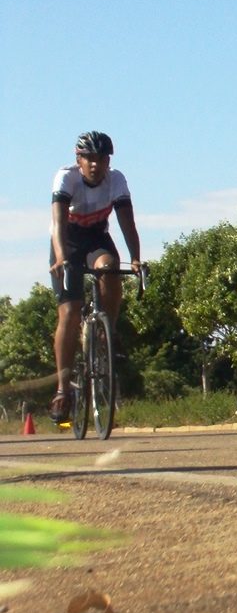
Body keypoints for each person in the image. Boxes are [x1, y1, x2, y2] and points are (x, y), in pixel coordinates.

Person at [48, 131, 142, 423]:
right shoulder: (66, 178)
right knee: (70, 313)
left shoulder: (116, 180)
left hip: (96, 238)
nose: (95, 164)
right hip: (68, 241)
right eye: (88, 158)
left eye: (101, 158)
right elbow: (58, 223)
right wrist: (62, 257)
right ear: (79, 159)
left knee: (109, 267)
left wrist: (136, 256)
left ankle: (106, 331)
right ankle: (63, 390)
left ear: (108, 161)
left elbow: (127, 222)